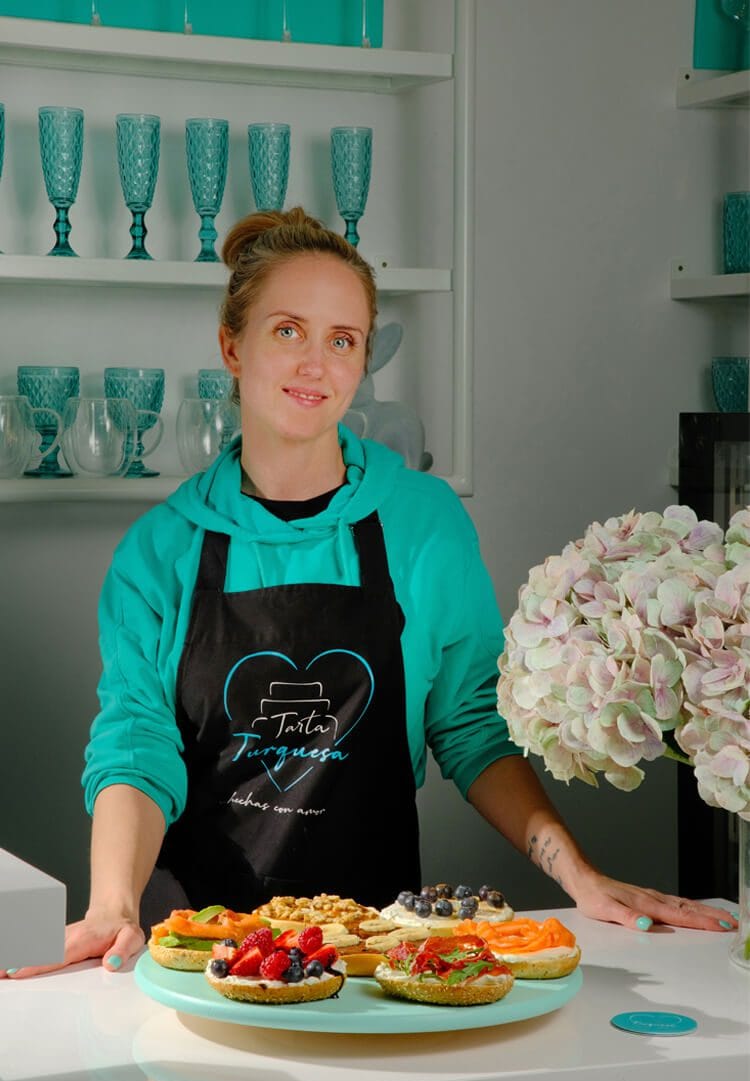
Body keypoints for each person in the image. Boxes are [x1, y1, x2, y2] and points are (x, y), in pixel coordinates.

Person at [3, 208, 735, 980]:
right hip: (193, 951)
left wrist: (578, 873)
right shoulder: (161, 550)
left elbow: (470, 725)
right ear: (232, 345)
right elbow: (135, 745)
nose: (315, 363)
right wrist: (112, 905)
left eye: (341, 339)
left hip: (377, 954)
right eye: (287, 330)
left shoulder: (423, 524)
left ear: (360, 363)